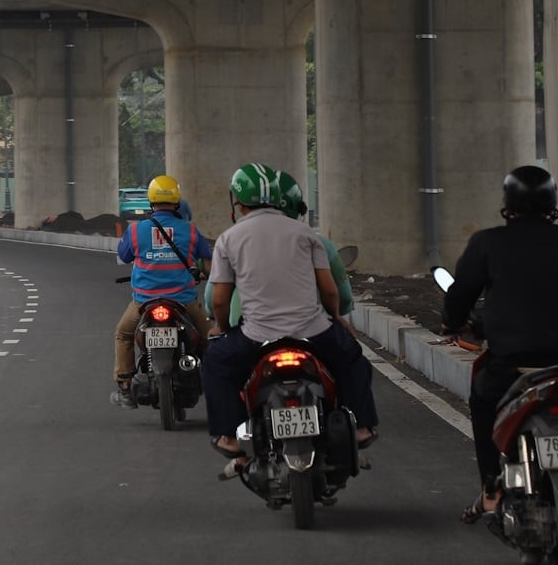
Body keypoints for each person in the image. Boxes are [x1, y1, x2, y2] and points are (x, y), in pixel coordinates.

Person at [445, 165, 558, 525]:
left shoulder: (487, 242)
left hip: (510, 366)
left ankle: (492, 488)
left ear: (507, 204)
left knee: (482, 402)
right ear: (552, 203)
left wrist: (452, 322)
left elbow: (459, 295)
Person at [201, 162, 379, 460]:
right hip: (313, 331)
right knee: (353, 360)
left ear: (239, 201)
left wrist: (222, 327)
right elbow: (330, 290)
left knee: (216, 363)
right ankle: (361, 427)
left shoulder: (229, 238)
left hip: (257, 335)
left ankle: (229, 435)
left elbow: (219, 300)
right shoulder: (305, 233)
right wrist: (335, 320)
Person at [112, 174, 214, 405]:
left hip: (144, 301)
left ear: (151, 200)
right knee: (211, 339)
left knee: (123, 334)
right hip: (183, 300)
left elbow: (123, 256)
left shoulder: (137, 230)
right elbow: (208, 265)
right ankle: (216, 382)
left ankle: (125, 386)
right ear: (177, 201)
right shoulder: (189, 230)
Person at [228, 172, 353, 328]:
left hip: (249, 331)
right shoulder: (319, 243)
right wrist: (336, 316)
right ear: (297, 207)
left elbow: (214, 299)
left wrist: (220, 324)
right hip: (309, 329)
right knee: (351, 349)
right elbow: (342, 297)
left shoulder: (233, 242)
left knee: (215, 352)